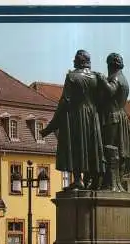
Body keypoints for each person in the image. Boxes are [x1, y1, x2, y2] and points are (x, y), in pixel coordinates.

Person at [40, 49, 105, 190]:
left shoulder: (72, 77)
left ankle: (77, 180)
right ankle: (87, 180)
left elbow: (64, 101)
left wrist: (51, 127)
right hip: (93, 117)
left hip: (77, 115)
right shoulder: (96, 78)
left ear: (80, 61)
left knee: (76, 146)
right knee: (89, 147)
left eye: (75, 58)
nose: (73, 61)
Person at [96, 53, 130, 191]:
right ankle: (117, 182)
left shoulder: (115, 78)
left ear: (110, 65)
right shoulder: (123, 78)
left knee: (109, 148)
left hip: (112, 117)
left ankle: (110, 182)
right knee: (121, 151)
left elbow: (111, 90)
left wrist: (101, 79)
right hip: (121, 116)